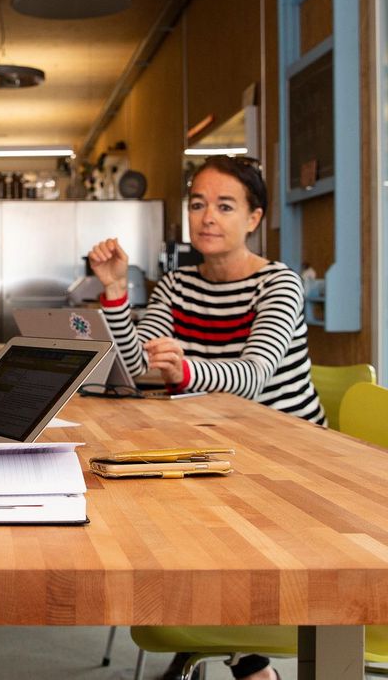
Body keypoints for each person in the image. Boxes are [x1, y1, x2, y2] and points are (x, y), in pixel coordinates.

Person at [90, 155, 321, 680]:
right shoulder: (177, 285)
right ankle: (244, 657)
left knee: (194, 533)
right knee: (152, 520)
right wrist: (114, 290)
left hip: (285, 455)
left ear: (254, 218)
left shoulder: (279, 284)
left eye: (224, 206)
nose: (207, 217)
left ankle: (245, 658)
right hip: (211, 447)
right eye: (198, 205)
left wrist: (186, 372)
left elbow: (255, 374)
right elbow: (134, 365)